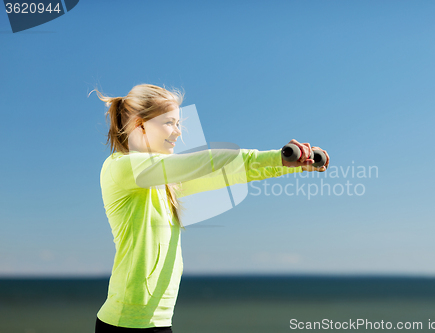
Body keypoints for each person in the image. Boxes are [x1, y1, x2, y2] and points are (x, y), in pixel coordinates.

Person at [91, 83, 330, 332]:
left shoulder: (165, 181)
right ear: (141, 125)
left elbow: (232, 172)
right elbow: (209, 162)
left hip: (158, 322)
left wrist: (283, 161)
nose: (178, 132)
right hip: (125, 324)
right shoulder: (120, 167)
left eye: (179, 123)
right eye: (169, 123)